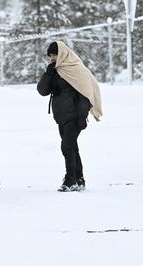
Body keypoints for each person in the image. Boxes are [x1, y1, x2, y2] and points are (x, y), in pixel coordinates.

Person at [37, 41, 103, 192]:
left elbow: (85, 94)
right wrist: (49, 73)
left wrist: (82, 116)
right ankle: (79, 180)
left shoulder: (76, 69)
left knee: (66, 146)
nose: (52, 58)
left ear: (62, 54)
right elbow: (42, 91)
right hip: (61, 116)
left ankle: (70, 180)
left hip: (75, 115)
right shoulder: (55, 70)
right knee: (72, 147)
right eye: (50, 56)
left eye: (54, 55)